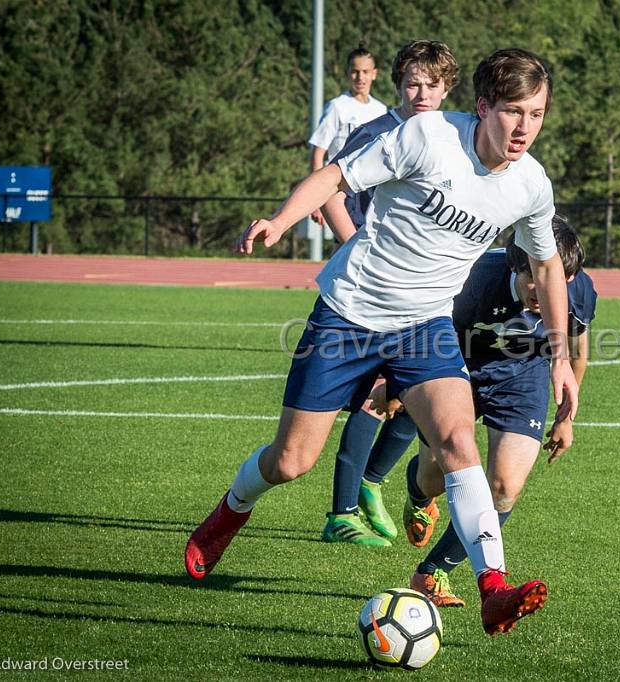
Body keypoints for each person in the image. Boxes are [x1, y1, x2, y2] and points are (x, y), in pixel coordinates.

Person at [185, 48, 578, 636]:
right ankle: (229, 512)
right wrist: (283, 219)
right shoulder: (429, 137)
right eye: (513, 112)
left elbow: (547, 268)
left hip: (423, 327)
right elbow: (335, 176)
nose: (525, 128)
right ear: (482, 107)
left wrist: (561, 360)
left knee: (457, 443)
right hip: (348, 314)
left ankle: (493, 586)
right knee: (291, 461)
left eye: (537, 114)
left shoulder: (530, 184)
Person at [366, 218, 596, 607]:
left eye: (559, 280)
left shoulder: (579, 290)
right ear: (515, 265)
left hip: (523, 377)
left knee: (504, 487)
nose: (544, 291)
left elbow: (577, 352)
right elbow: (414, 330)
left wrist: (566, 417)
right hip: (454, 365)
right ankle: (419, 494)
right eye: (533, 279)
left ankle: (432, 572)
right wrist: (393, 384)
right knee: (434, 476)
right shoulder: (472, 280)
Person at [317, 40, 460, 547]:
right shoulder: (377, 131)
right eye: (412, 83)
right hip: (369, 293)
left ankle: (372, 484)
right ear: (396, 85)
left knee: (418, 402)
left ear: (448, 89)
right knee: (379, 397)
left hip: (423, 295)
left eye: (432, 85)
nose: (421, 93)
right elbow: (331, 190)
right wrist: (358, 245)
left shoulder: (455, 134)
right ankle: (342, 510)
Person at [308, 43, 388, 225]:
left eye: (365, 71)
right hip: (341, 188)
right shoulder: (337, 107)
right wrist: (316, 199)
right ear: (347, 73)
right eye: (355, 71)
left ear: (374, 74)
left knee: (356, 246)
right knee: (348, 243)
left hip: (369, 190)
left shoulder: (381, 109)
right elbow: (318, 153)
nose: (360, 77)